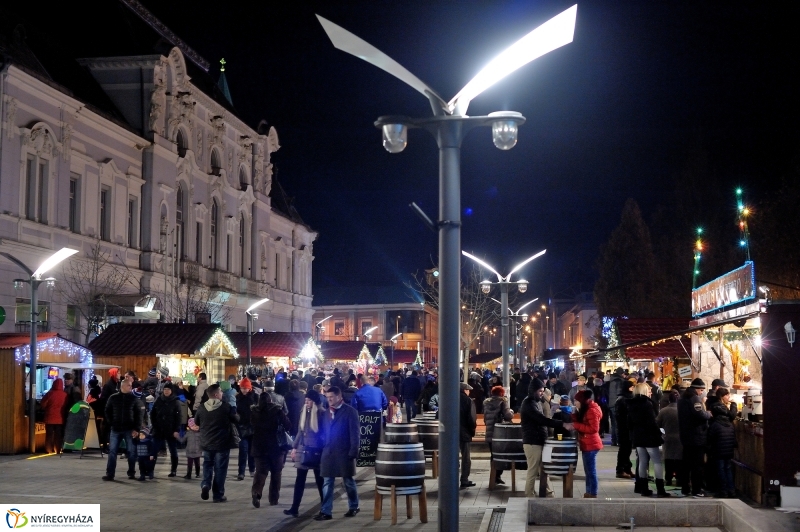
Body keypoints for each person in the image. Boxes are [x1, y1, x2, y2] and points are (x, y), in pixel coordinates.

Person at [520, 378, 572, 497]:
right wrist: (562, 424)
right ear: (533, 391)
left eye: (543, 391)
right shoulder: (528, 403)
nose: (542, 393)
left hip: (540, 441)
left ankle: (548, 493)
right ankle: (529, 495)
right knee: (533, 470)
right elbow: (541, 419)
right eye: (540, 391)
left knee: (544, 469)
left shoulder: (538, 402)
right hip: (532, 442)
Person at [315, 386, 360, 521]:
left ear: (339, 397)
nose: (329, 400)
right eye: (327, 398)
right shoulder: (326, 413)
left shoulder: (350, 412)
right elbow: (323, 431)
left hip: (344, 452)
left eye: (331, 397)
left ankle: (353, 506)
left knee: (348, 481)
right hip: (328, 452)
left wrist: (353, 451)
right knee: (327, 482)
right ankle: (326, 511)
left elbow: (355, 433)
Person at [195, 383, 239, 503]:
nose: (222, 393)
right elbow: (235, 419)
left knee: (207, 464)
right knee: (220, 469)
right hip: (222, 443)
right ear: (216, 394)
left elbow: (196, 422)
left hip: (206, 442)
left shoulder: (202, 407)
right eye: (220, 392)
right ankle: (218, 494)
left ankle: (205, 485)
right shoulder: (225, 407)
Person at [285, 389, 326, 517]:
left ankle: (325, 508)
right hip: (303, 449)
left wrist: (323, 448)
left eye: (309, 400)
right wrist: (294, 447)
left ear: (315, 401)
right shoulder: (304, 411)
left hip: (316, 451)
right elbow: (300, 431)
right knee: (299, 480)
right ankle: (294, 508)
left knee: (320, 481)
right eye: (306, 400)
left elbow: (325, 434)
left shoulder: (322, 413)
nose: (306, 402)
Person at [250, 388, 291, 508]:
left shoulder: (254, 411)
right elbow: (288, 425)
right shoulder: (277, 410)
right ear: (270, 400)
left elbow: (251, 425)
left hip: (259, 446)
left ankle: (256, 492)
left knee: (261, 472)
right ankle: (273, 499)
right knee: (276, 472)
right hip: (276, 446)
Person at [628, 383, 670, 497]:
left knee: (642, 462)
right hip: (649, 436)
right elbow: (652, 422)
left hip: (638, 436)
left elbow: (629, 422)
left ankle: (643, 488)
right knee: (657, 461)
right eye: (649, 391)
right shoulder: (647, 404)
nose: (651, 393)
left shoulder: (631, 404)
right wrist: (659, 434)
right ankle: (660, 489)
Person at [102, 379, 144, 481]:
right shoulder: (113, 398)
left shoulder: (133, 399)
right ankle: (110, 474)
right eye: (129, 385)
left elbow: (139, 415)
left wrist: (136, 429)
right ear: (123, 386)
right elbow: (107, 411)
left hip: (129, 429)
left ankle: (131, 473)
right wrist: (111, 422)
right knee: (112, 451)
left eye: (131, 385)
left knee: (131, 451)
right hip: (115, 429)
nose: (131, 387)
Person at [677, 378, 711, 497]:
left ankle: (685, 488)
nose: (702, 392)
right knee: (697, 465)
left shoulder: (682, 398)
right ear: (697, 389)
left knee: (686, 464)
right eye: (701, 390)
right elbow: (699, 414)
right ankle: (696, 489)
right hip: (696, 437)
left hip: (685, 436)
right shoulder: (694, 398)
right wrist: (708, 414)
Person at [571, 389, 603, 498]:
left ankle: (592, 493)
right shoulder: (585, 409)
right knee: (588, 471)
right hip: (587, 443)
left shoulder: (591, 410)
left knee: (591, 471)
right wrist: (572, 415)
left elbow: (594, 428)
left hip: (591, 444)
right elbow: (581, 420)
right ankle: (588, 492)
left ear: (582, 401)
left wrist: (576, 425)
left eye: (576, 401)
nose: (575, 403)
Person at [483, 385, 514, 485]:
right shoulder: (502, 402)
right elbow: (508, 415)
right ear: (501, 393)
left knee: (493, 455)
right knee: (502, 455)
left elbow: (485, 419)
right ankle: (497, 475)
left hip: (490, 433)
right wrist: (511, 411)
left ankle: (494, 476)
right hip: (500, 434)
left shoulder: (486, 404)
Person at [150, 383, 182, 477]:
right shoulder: (159, 400)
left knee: (173, 451)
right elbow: (153, 414)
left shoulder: (175, 402)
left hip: (171, 430)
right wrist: (155, 425)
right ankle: (150, 470)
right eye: (165, 389)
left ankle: (173, 470)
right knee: (154, 451)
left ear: (171, 391)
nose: (166, 391)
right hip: (159, 429)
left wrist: (176, 429)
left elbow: (178, 417)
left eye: (168, 389)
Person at [707, 404, 737, 498]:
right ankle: (731, 491)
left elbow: (710, 438)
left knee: (721, 471)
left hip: (718, 451)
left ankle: (723, 491)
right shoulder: (730, 424)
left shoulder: (715, 424)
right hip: (729, 452)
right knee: (728, 470)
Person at [656, 389, 683, 488]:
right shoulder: (682, 410)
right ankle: (680, 479)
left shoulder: (664, 411)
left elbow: (657, 423)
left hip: (668, 437)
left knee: (669, 459)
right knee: (680, 460)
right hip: (681, 438)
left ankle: (668, 479)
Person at [236, 377, 258, 480]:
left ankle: (252, 469)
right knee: (243, 450)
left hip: (253, 428)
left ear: (250, 388)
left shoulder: (255, 397)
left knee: (252, 450)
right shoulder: (237, 398)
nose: (244, 390)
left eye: (245, 388)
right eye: (242, 388)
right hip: (242, 428)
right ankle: (241, 472)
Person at [613, 380, 636, 479]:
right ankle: (620, 470)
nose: (633, 389)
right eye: (631, 387)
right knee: (624, 450)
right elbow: (621, 416)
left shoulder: (627, 398)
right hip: (624, 429)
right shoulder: (622, 400)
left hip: (627, 428)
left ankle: (627, 469)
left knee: (627, 449)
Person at [41, 377, 67, 454]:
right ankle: (58, 450)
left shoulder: (49, 394)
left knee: (49, 435)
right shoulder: (65, 395)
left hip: (49, 417)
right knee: (58, 435)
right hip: (60, 418)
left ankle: (48, 449)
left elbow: (43, 404)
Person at [459, 382, 477, 489]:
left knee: (452, 457)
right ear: (464, 390)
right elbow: (471, 418)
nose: (469, 392)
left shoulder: (449, 398)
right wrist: (472, 430)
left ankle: (451, 479)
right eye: (468, 390)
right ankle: (464, 479)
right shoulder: (468, 401)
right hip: (464, 432)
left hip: (451, 434)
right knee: (466, 457)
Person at [606, 367, 626, 446]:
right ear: (621, 373)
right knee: (618, 423)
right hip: (617, 404)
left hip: (610, 404)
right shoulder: (619, 381)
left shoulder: (610, 381)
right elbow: (619, 393)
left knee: (614, 423)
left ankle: (613, 440)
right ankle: (618, 440)